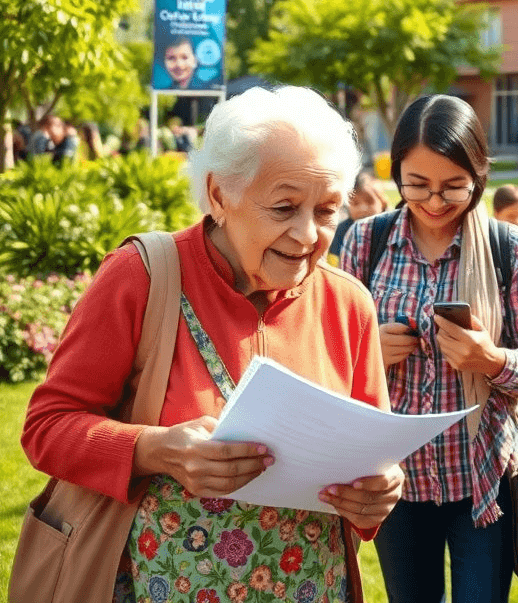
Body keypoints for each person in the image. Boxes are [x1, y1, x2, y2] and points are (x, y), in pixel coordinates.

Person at [21, 86, 403, 602]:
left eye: (327, 211)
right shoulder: (142, 276)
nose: (308, 234)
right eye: (284, 207)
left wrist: (379, 492)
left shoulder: (348, 303)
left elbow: (373, 460)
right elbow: (48, 426)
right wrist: (154, 449)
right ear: (220, 195)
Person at [339, 94, 518, 603]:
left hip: (483, 478)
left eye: (453, 186)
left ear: (478, 176)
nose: (435, 201)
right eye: (417, 185)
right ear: (395, 173)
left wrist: (491, 360)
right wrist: (368, 351)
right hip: (395, 478)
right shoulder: (365, 243)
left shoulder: (510, 248)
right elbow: (329, 355)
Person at [327, 169, 390, 265]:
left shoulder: (391, 227)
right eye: (355, 203)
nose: (362, 208)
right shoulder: (342, 230)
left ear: (383, 203)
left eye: (369, 202)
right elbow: (334, 261)